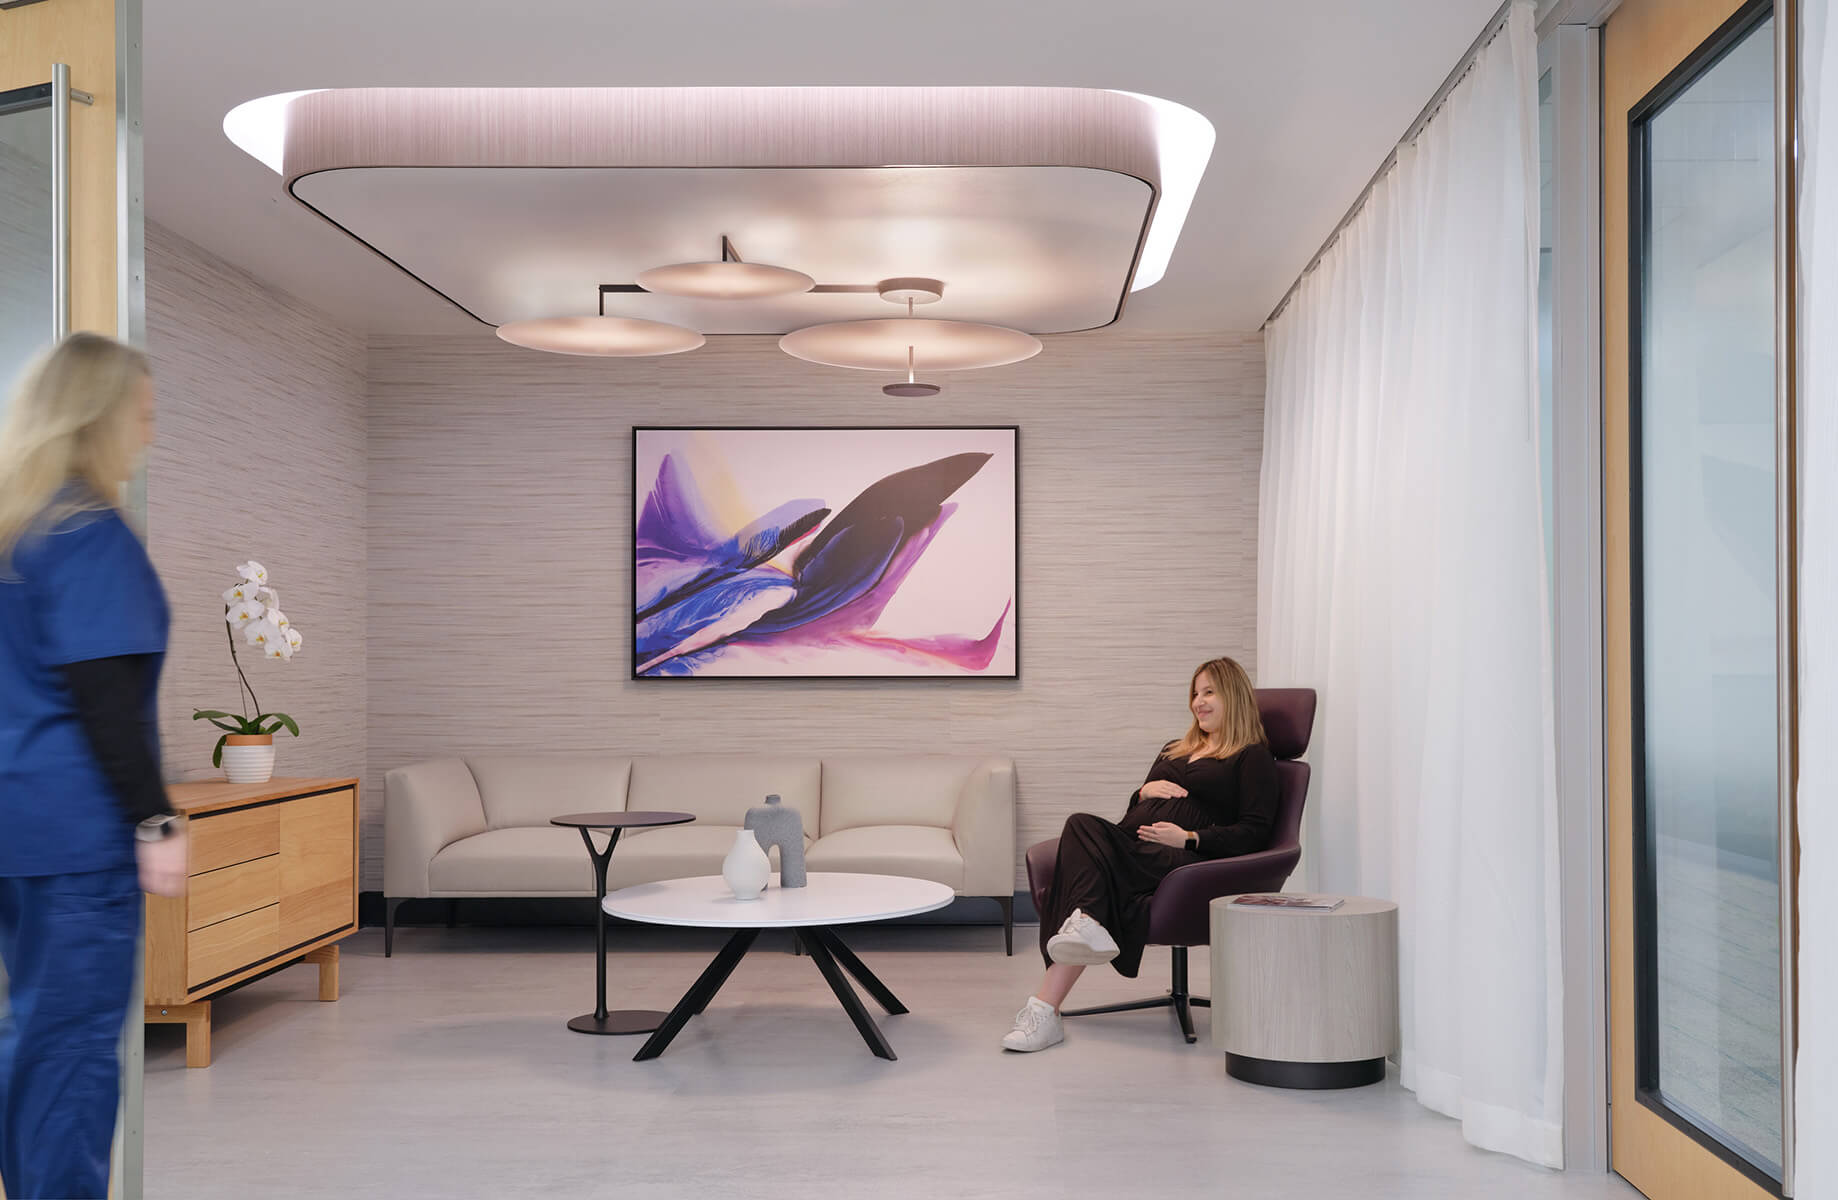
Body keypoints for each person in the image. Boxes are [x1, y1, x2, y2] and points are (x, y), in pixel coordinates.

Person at [0, 333, 185, 1199]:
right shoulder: (87, 531)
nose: (147, 435)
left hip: (18, 828)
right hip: (77, 833)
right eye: (141, 416)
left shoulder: (18, 533)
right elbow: (103, 694)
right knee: (71, 1052)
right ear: (100, 419)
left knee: (31, 1035)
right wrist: (154, 818)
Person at [1003, 656, 1278, 1052]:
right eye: (1195, 693)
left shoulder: (1251, 755)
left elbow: (1255, 831)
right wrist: (1143, 793)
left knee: (1083, 847)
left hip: (1189, 867)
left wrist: (1189, 837)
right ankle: (1059, 982)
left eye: (1209, 692)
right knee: (1081, 828)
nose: (1198, 702)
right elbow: (1134, 816)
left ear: (1232, 695)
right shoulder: (1174, 748)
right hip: (1137, 850)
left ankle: (1046, 1010)